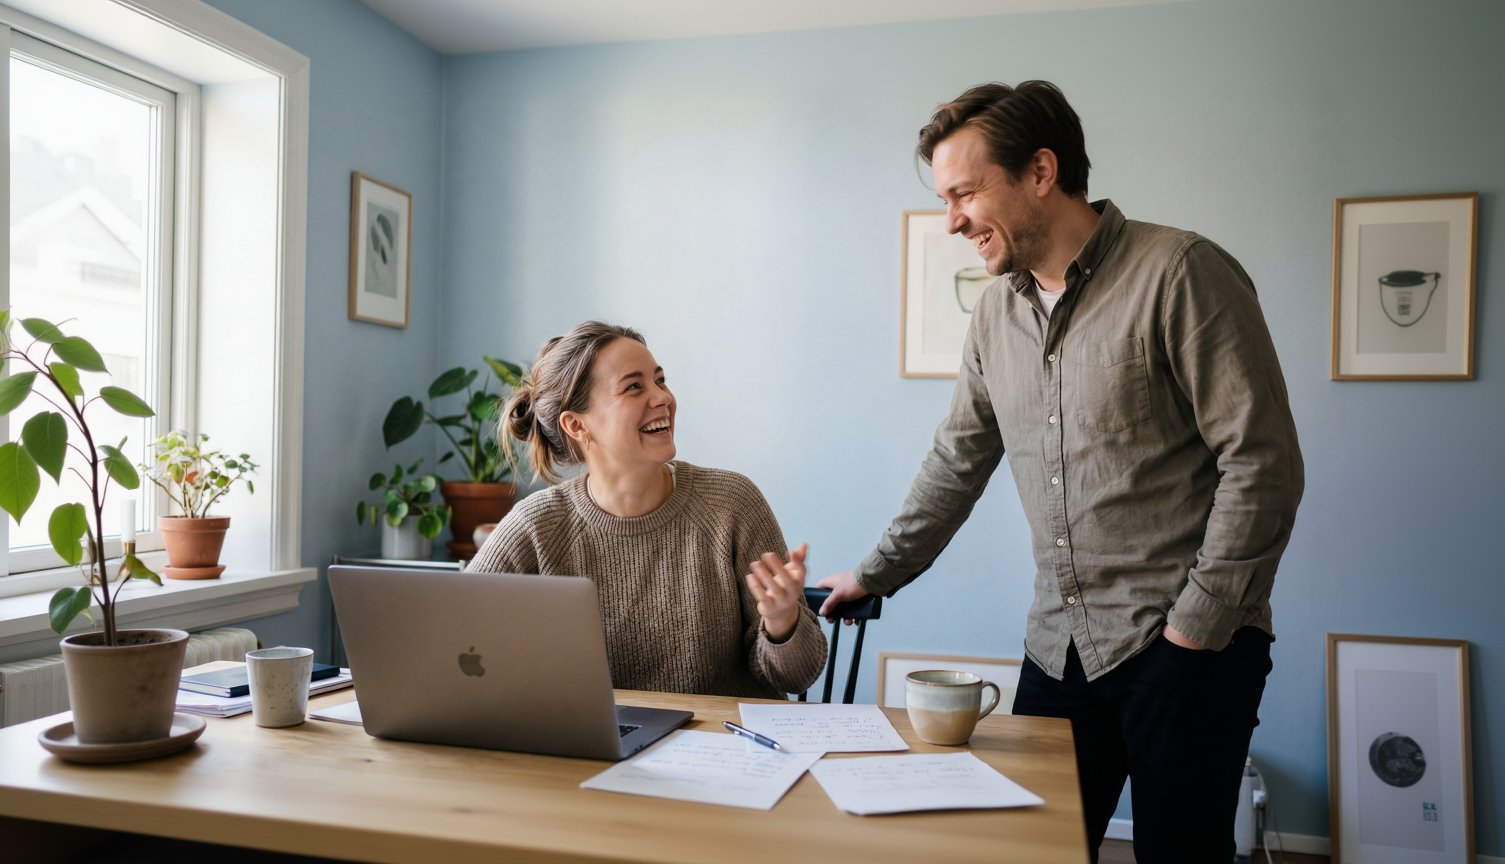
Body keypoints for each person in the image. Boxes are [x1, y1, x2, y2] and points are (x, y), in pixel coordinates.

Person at [816, 81, 1303, 863]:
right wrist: (876, 574)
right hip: (1060, 649)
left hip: (1188, 647)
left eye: (966, 193)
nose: (953, 222)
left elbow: (1263, 465)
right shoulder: (994, 317)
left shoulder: (1181, 272)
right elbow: (956, 461)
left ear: (1041, 171)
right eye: (946, 200)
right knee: (1033, 852)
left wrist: (1192, 632)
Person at [466, 321, 827, 700]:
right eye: (634, 386)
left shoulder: (731, 503)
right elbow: (451, 630)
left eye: (660, 380)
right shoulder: (536, 526)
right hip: (598, 752)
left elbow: (797, 679)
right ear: (576, 424)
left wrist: (784, 623)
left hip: (725, 746)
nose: (663, 398)